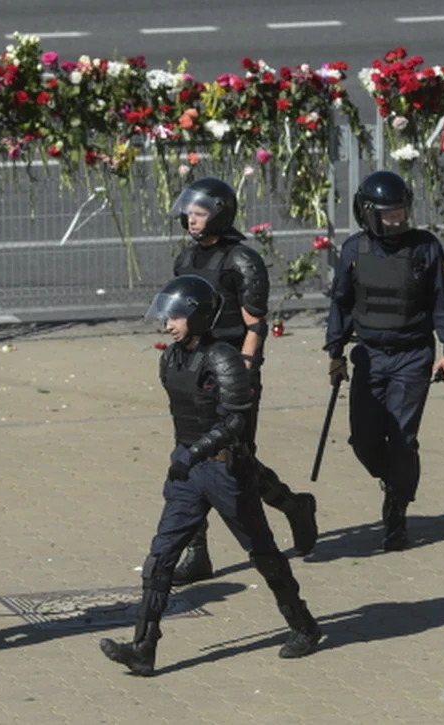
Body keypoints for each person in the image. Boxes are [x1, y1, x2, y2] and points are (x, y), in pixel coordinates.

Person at [100, 275, 321, 676]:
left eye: (177, 316)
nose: (167, 324)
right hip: (187, 472)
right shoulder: (171, 358)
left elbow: (237, 419)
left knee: (264, 554)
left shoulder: (222, 358)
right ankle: (143, 648)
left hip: (224, 470)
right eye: (166, 316)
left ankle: (303, 626)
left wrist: (198, 452)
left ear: (199, 317)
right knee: (160, 557)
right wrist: (184, 457)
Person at [167, 177, 318, 586]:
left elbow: (255, 324)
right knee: (189, 456)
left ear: (220, 213)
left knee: (236, 462)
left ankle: (293, 507)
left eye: (199, 214)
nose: (192, 220)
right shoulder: (185, 260)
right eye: (189, 213)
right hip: (194, 372)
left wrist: (245, 374)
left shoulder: (242, 261)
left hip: (231, 372)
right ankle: (197, 554)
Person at [324, 170, 444, 551]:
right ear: (368, 214)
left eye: (402, 212)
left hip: (412, 357)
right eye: (389, 214)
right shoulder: (354, 251)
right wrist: (335, 353)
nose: (398, 220)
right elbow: (341, 303)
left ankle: (397, 512)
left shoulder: (425, 248)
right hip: (368, 358)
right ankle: (394, 480)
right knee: (364, 440)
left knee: (402, 438)